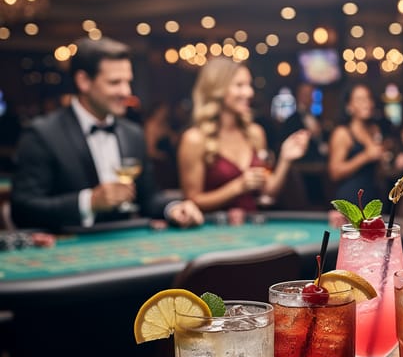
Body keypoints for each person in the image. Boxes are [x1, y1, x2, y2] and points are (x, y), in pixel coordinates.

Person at [11, 37, 203, 230]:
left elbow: (148, 198)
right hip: (65, 249)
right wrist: (89, 202)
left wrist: (173, 208)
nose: (126, 91)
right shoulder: (42, 134)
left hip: (126, 243)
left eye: (128, 82)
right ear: (83, 81)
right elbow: (23, 210)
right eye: (114, 82)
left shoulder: (133, 133)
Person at [177, 57, 309, 212]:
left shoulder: (255, 133)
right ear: (217, 89)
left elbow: (267, 192)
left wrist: (285, 159)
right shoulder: (194, 139)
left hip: (252, 228)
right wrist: (238, 186)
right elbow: (192, 201)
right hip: (212, 232)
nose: (249, 92)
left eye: (249, 85)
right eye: (239, 85)